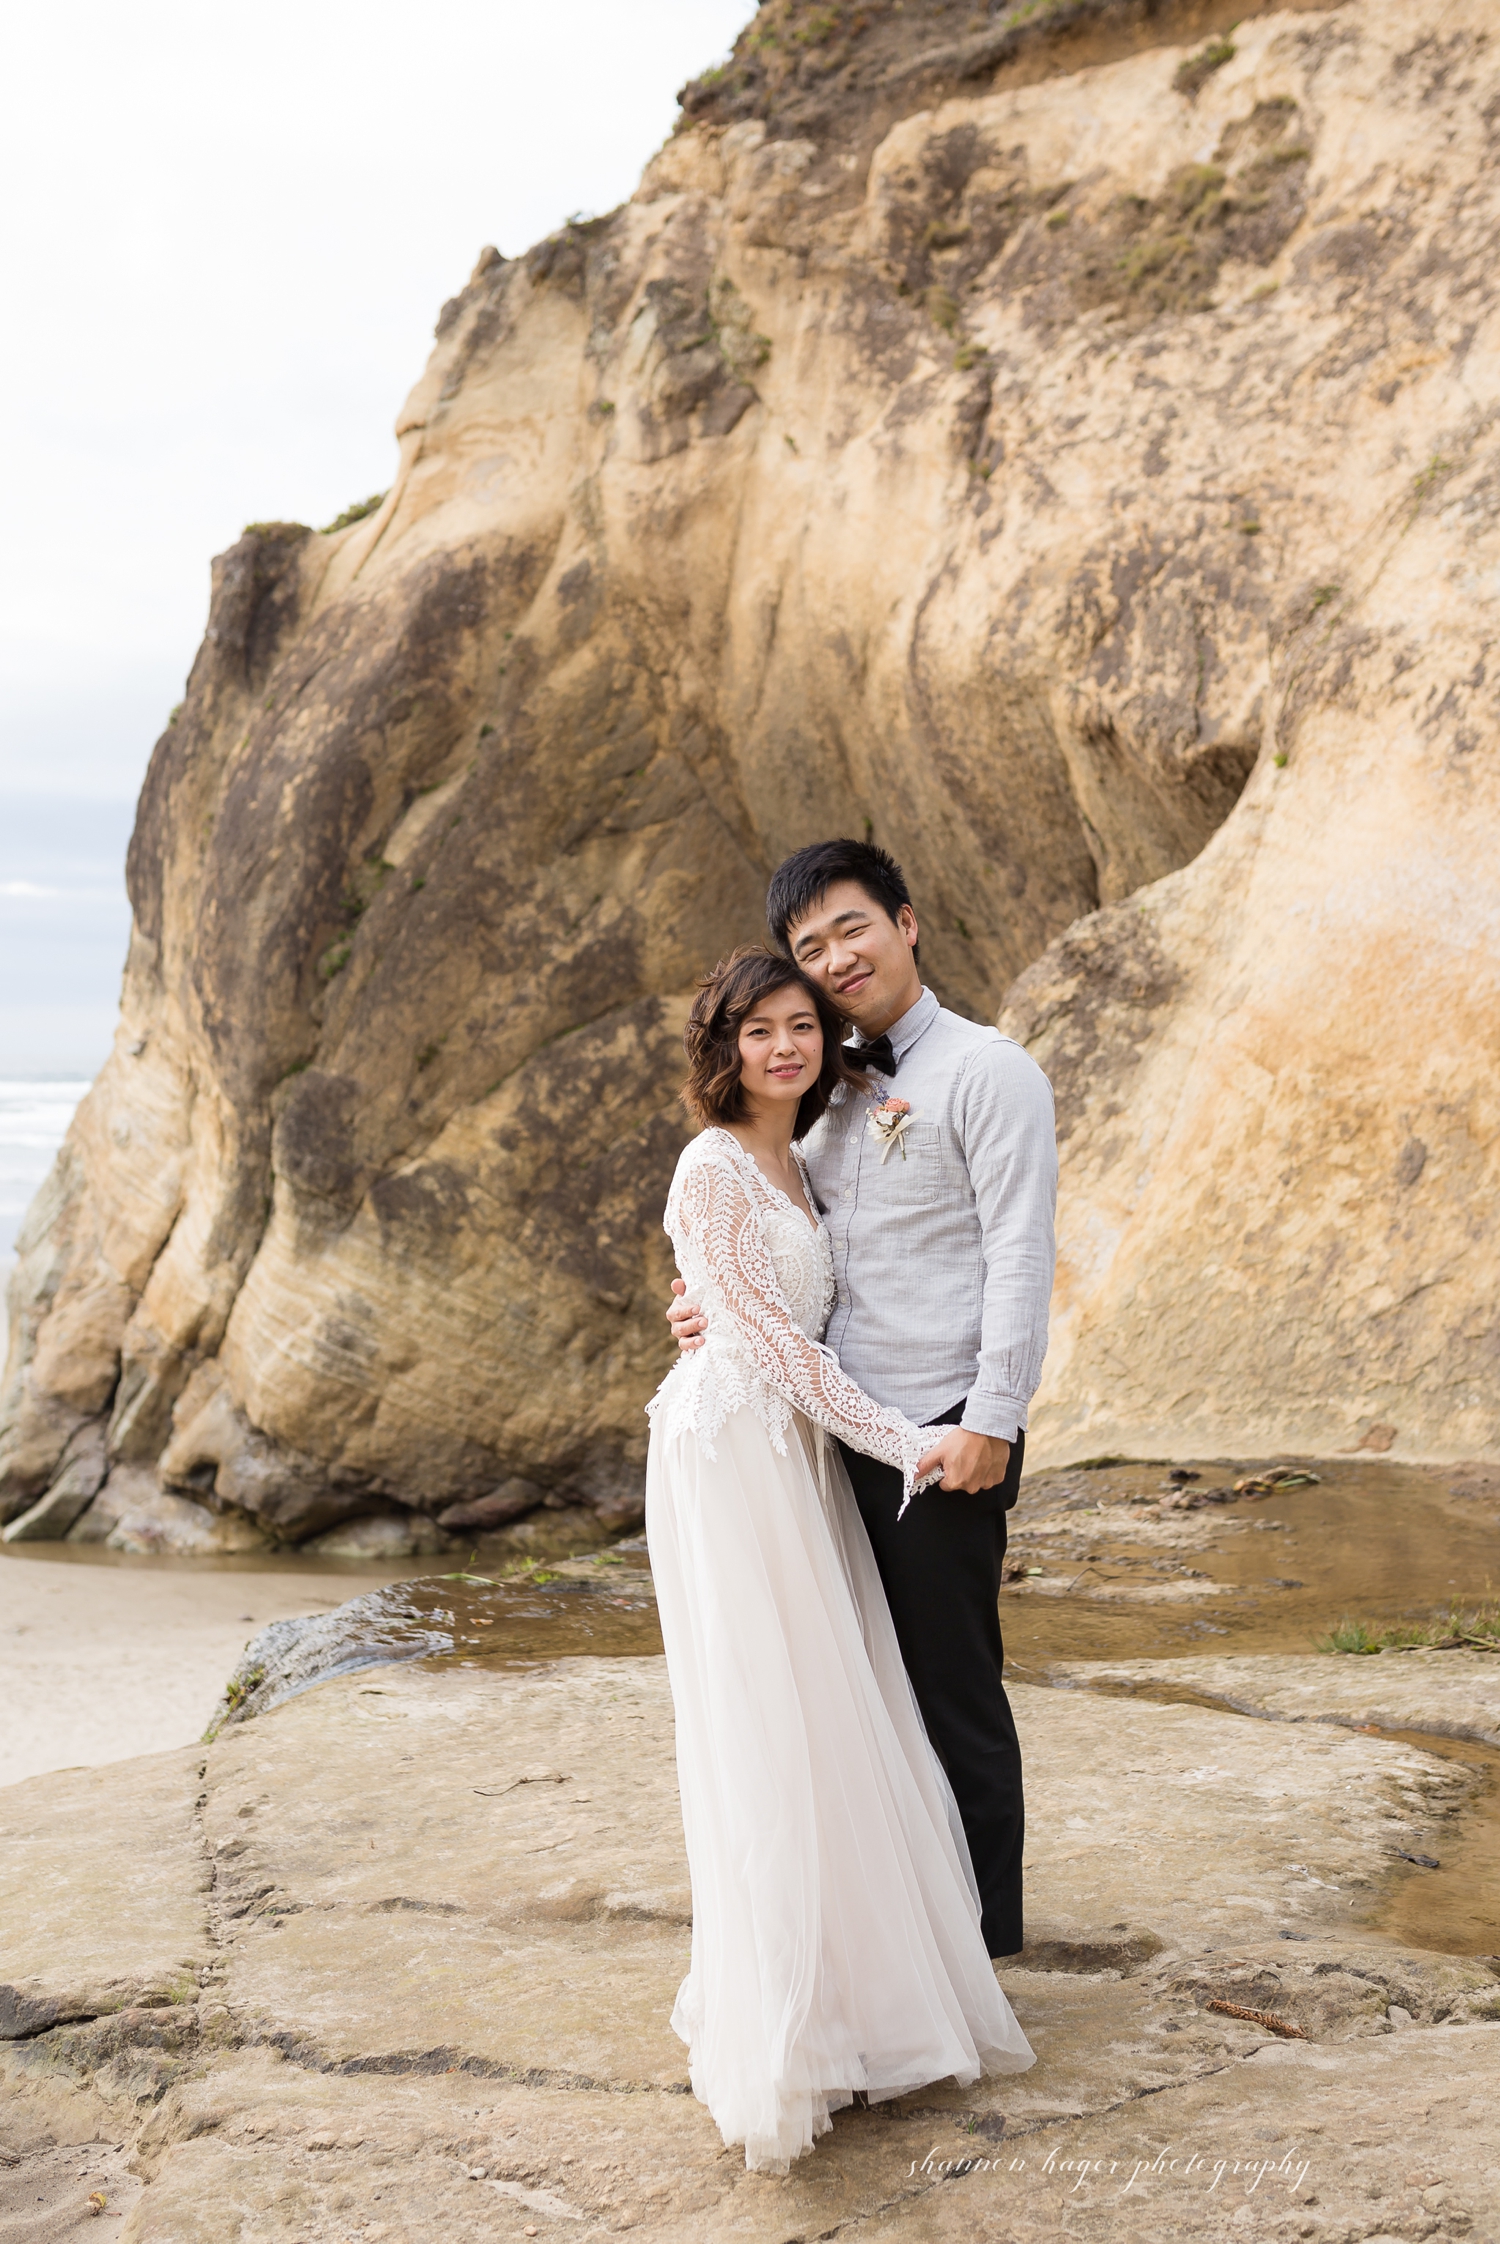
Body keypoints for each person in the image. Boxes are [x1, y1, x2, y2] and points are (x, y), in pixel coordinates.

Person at [646, 946, 1034, 2174]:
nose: (784, 1047)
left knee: (835, 1713)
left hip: (795, 1451)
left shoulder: (804, 1153)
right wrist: (910, 1441)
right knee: (771, 1720)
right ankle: (790, 2019)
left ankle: (862, 1991)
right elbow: (767, 1342)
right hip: (737, 1456)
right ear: (724, 1046)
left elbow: (786, 1309)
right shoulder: (713, 1164)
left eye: (801, 1026)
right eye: (758, 1029)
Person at [670, 838, 1057, 1963]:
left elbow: (1021, 1254)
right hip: (818, 1440)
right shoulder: (824, 1086)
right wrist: (704, 1303)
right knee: (855, 1701)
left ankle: (983, 1951)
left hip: (939, 1431)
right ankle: (901, 1943)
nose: (838, 957)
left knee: (950, 1694)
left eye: (854, 928)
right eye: (812, 946)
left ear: (906, 923)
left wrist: (992, 1418)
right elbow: (777, 1238)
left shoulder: (987, 1072)